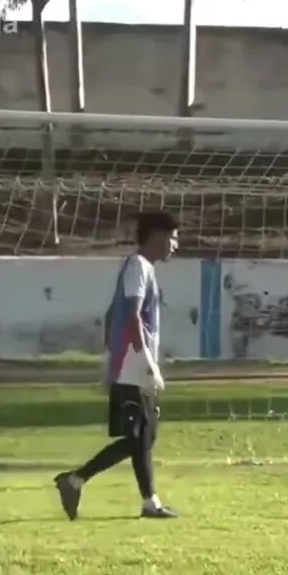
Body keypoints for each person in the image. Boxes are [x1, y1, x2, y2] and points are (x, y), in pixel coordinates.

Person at [54, 211, 180, 520]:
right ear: (157, 237)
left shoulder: (142, 268)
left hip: (129, 365)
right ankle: (85, 482)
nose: (176, 244)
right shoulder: (138, 267)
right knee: (140, 437)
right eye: (173, 237)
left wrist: (116, 354)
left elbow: (112, 315)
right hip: (133, 367)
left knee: (143, 437)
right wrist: (146, 362)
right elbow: (133, 316)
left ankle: (80, 481)